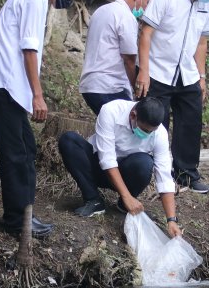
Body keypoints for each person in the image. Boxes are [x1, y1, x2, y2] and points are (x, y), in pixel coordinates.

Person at [0, 0, 86, 238]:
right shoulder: (35, 0)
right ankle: (15, 220)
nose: (69, 1)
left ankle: (25, 214)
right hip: (2, 84)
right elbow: (29, 50)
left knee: (26, 150)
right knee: (15, 154)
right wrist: (37, 95)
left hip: (7, 86)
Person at [136, 0, 209, 195]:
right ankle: (154, 172)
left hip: (187, 73)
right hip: (158, 70)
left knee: (191, 120)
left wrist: (202, 75)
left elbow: (202, 41)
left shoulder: (208, 3)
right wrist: (143, 71)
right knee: (157, 123)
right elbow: (146, 32)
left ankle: (186, 173)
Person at [58, 97, 182, 238]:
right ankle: (93, 200)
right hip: (98, 167)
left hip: (128, 173)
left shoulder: (159, 133)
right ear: (133, 115)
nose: (147, 135)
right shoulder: (111, 111)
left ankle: (124, 205)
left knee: (145, 163)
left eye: (151, 132)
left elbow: (164, 177)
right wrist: (126, 196)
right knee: (69, 140)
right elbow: (107, 160)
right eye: (145, 130)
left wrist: (171, 220)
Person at [79, 0, 156, 115]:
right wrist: (137, 89)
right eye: (147, 3)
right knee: (125, 129)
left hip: (90, 84)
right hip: (109, 86)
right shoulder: (126, 16)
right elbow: (129, 59)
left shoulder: (101, 10)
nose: (146, 9)